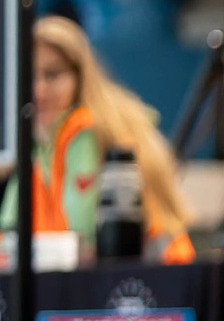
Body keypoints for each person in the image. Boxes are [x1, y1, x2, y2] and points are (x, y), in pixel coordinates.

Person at [1, 17, 193, 264]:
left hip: (151, 280)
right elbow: (8, 238)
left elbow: (84, 244)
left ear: (80, 76)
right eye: (29, 76)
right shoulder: (37, 146)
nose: (39, 91)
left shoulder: (87, 132)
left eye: (52, 75)